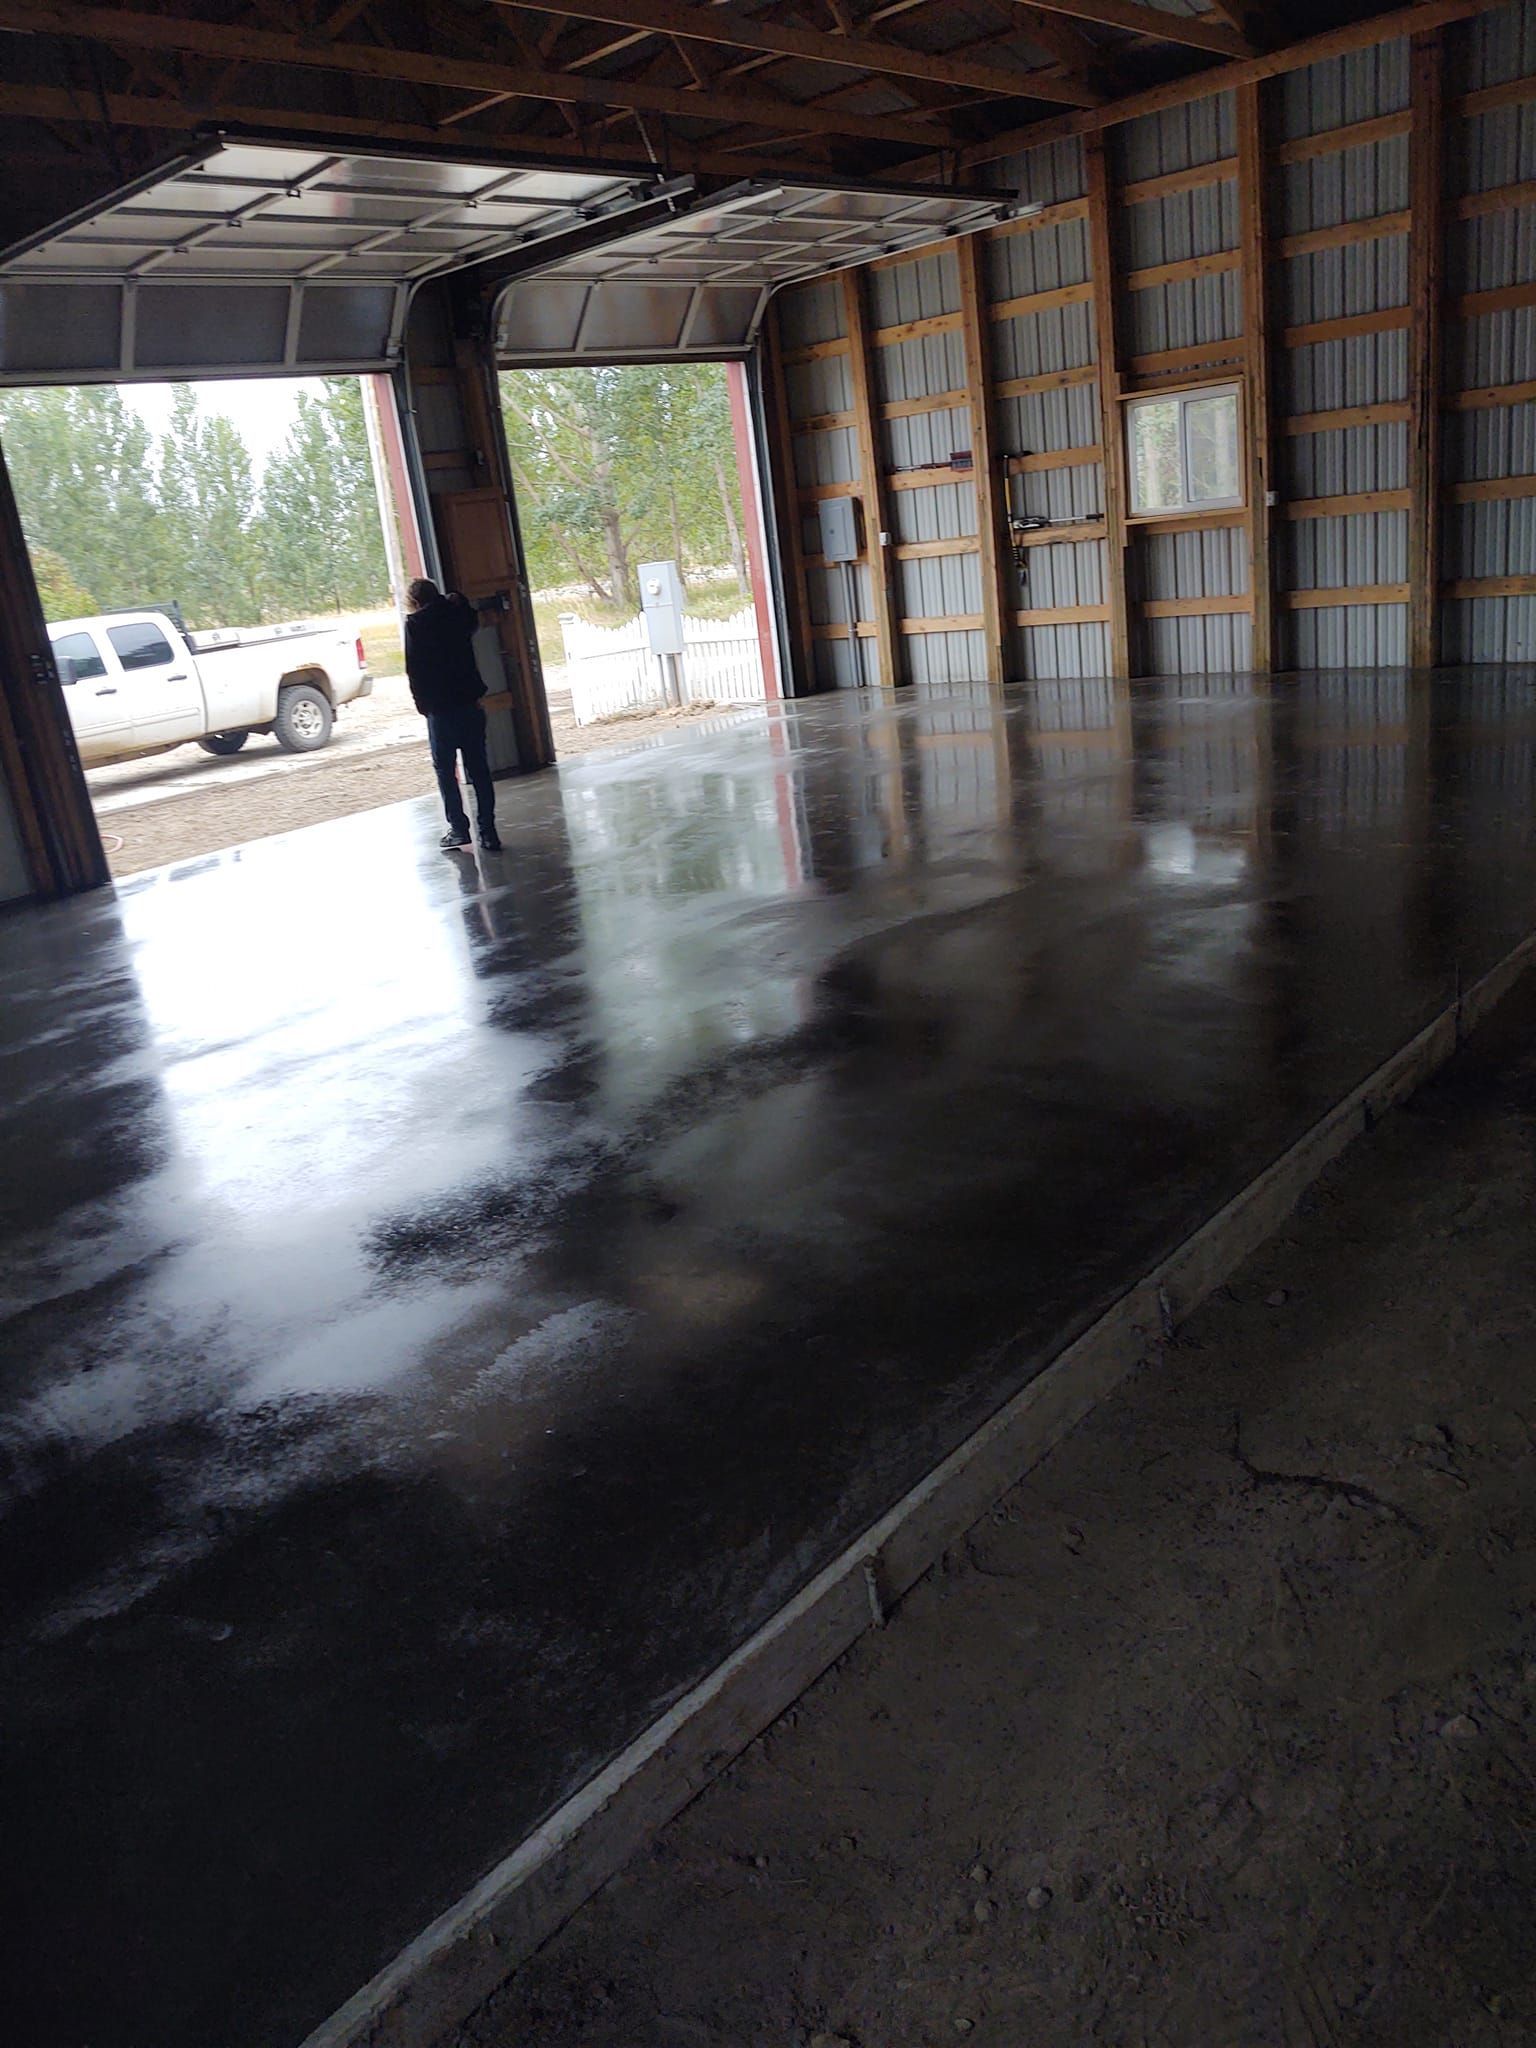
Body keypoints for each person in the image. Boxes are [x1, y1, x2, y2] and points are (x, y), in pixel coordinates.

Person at [404, 576, 503, 853]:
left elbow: (414, 670)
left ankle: (459, 829)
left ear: (415, 601)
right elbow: (472, 618)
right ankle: (488, 832)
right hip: (469, 704)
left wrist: (421, 704)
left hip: (440, 710)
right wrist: (458, 597)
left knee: (446, 772)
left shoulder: (415, 625)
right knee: (479, 770)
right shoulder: (457, 616)